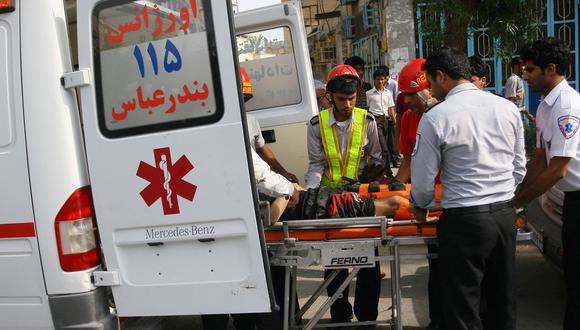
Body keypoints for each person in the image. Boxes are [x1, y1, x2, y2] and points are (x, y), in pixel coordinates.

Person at [410, 47, 526, 330]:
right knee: (502, 302)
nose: (429, 91)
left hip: (464, 221)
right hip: (503, 216)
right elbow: (519, 168)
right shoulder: (507, 108)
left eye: (430, 83)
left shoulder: (436, 117)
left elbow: (423, 186)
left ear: (440, 76)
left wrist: (420, 205)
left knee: (463, 309)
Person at [203, 68, 300, 330]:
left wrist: (284, 177)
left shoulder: (229, 121)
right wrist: (288, 189)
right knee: (248, 274)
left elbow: (263, 159)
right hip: (232, 211)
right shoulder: (227, 127)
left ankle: (242, 321)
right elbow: (259, 174)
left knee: (221, 277)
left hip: (217, 213)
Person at [304, 63, 384, 324]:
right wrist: (311, 195)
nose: (348, 104)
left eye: (351, 98)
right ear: (329, 97)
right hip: (330, 199)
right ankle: (339, 314)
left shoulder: (367, 121)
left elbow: (377, 159)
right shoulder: (316, 125)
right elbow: (316, 165)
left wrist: (373, 180)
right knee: (335, 260)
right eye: (342, 99)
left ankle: (367, 317)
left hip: (361, 196)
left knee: (369, 260)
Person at [514, 37, 580, 330]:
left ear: (550, 68)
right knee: (572, 278)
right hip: (570, 202)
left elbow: (558, 170)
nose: (524, 76)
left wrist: (518, 201)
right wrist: (516, 193)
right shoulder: (544, 105)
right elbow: (539, 160)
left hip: (578, 198)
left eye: (530, 70)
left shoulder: (566, 104)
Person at [392, 58, 441, 330]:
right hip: (428, 201)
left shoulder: (446, 115)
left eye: (411, 95)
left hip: (452, 200)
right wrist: (395, 186)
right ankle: (438, 320)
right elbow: (409, 159)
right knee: (435, 264)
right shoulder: (411, 119)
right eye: (404, 95)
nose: (407, 101)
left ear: (428, 89)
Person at [366, 67, 396, 174]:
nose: (380, 81)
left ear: (385, 80)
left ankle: (383, 169)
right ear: (374, 80)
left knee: (389, 145)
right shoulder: (369, 94)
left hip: (387, 121)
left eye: (382, 79)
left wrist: (395, 122)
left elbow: (391, 108)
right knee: (383, 148)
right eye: (378, 79)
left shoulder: (388, 93)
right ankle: (387, 171)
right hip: (375, 122)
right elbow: (367, 109)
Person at [504, 56, 535, 124]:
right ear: (516, 66)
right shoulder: (513, 80)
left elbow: (518, 103)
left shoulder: (518, 80)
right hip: (513, 120)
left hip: (519, 119)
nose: (524, 68)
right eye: (523, 66)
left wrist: (527, 113)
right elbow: (510, 102)